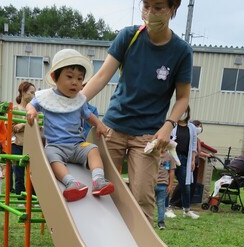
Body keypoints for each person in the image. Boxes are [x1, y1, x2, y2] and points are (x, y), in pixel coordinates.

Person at [82, 0, 192, 224]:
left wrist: (168, 125)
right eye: (147, 5)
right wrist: (70, 103)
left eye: (159, 7)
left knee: (142, 196)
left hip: (148, 136)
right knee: (98, 187)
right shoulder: (128, 37)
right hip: (112, 128)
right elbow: (102, 77)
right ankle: (96, 246)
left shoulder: (181, 51)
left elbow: (183, 97)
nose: (151, 13)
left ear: (173, 9)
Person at [26, 48, 114, 202]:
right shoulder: (46, 97)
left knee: (93, 149)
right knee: (50, 157)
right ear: (54, 77)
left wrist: (99, 124)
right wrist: (31, 111)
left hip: (77, 145)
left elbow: (89, 116)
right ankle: (71, 183)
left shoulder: (79, 100)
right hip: (56, 146)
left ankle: (98, 180)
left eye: (80, 79)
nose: (75, 82)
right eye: (69, 77)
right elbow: (31, 105)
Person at [170, 106, 199, 219]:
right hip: (171, 156)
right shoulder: (172, 125)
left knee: (186, 185)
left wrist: (192, 160)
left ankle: (186, 210)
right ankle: (168, 208)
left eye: (184, 112)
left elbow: (193, 145)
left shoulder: (191, 127)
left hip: (184, 159)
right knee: (168, 182)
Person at [12, 81, 36, 202]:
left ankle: (32, 198)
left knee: (33, 174)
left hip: (31, 146)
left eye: (34, 93)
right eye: (31, 92)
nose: (33, 95)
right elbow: (12, 127)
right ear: (23, 92)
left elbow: (39, 125)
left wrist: (23, 124)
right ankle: (21, 199)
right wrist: (24, 125)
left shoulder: (33, 110)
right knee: (19, 174)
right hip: (17, 144)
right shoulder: (15, 109)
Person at [155, 149, 176, 229]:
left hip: (163, 185)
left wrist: (170, 185)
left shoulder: (170, 156)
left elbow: (171, 172)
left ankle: (161, 222)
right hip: (152, 184)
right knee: (148, 203)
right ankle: (146, 220)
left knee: (161, 204)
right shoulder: (153, 154)